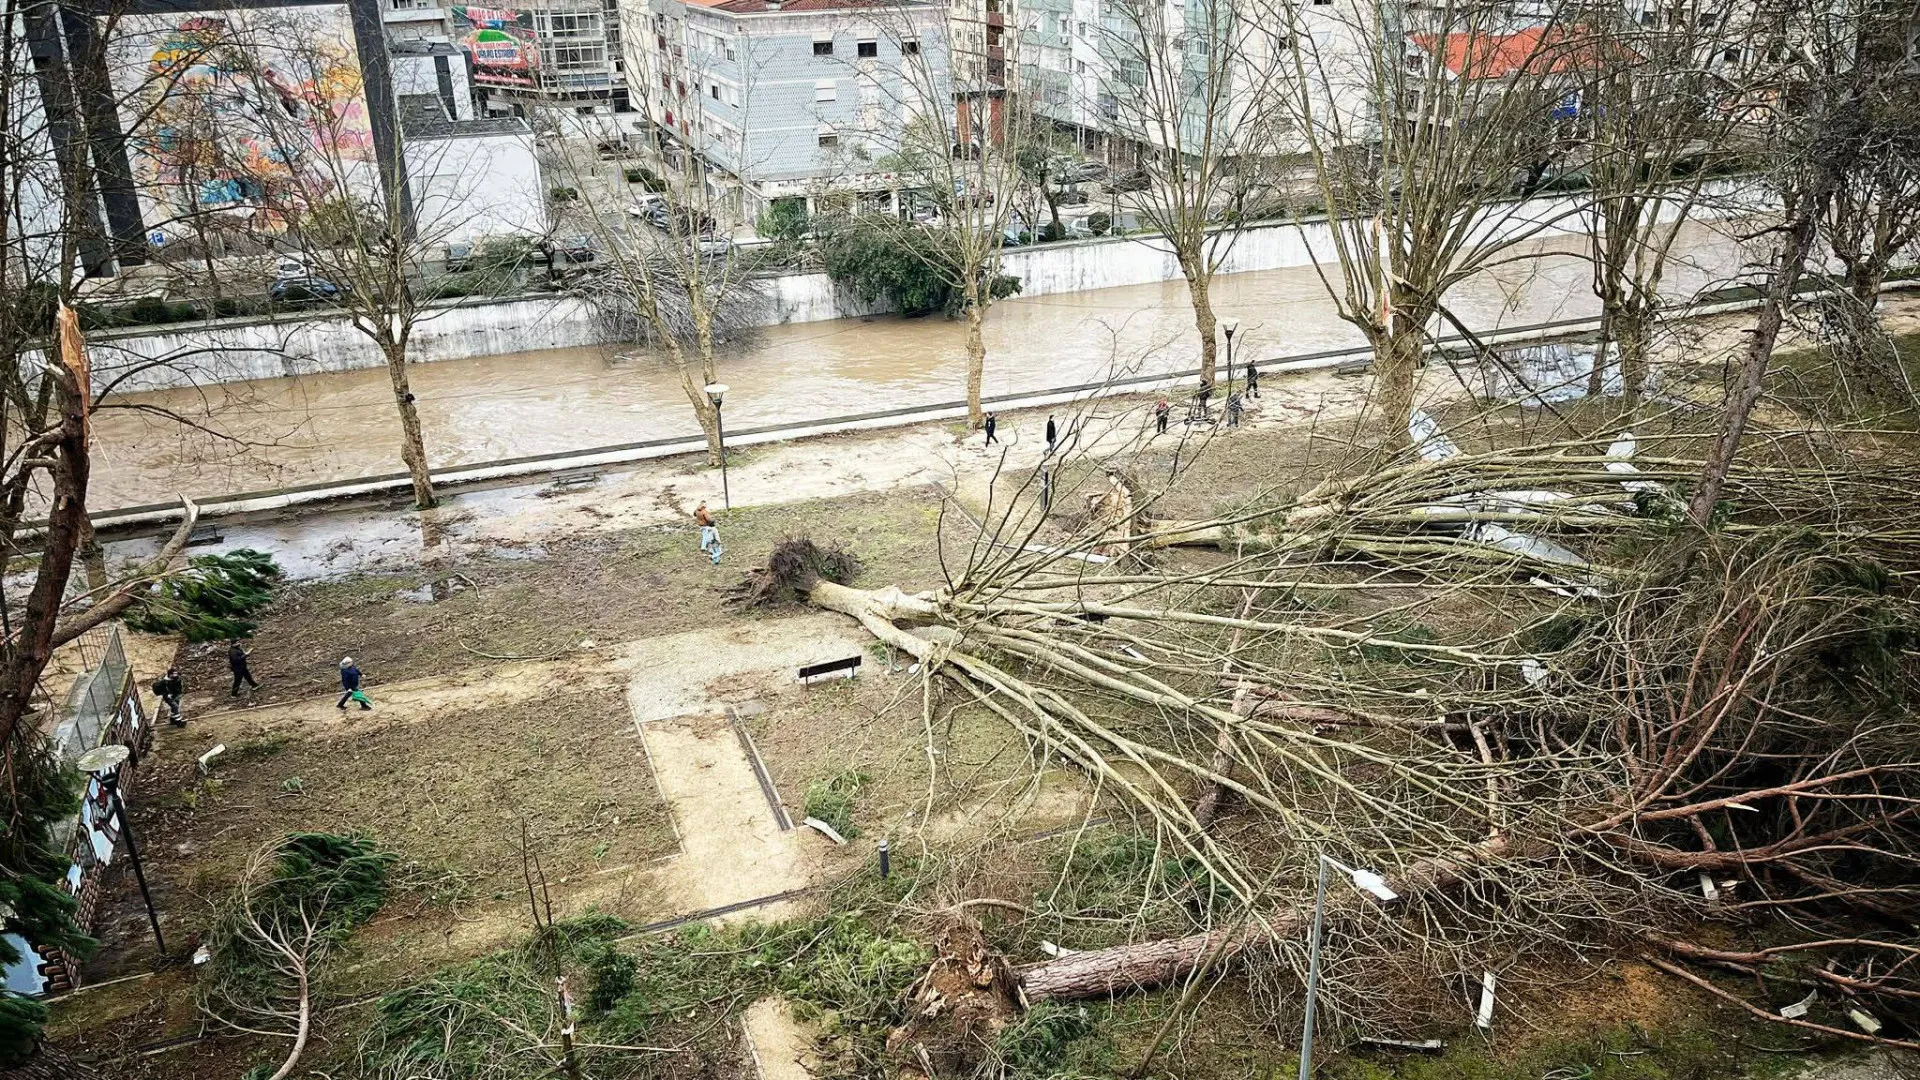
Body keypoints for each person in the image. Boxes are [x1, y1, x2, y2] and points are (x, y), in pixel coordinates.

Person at [694, 501, 722, 565]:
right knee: (717, 550)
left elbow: (694, 514)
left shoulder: (697, 510)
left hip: (701, 527)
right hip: (706, 528)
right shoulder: (704, 512)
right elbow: (709, 519)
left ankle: (705, 549)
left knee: (705, 538)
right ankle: (714, 557)